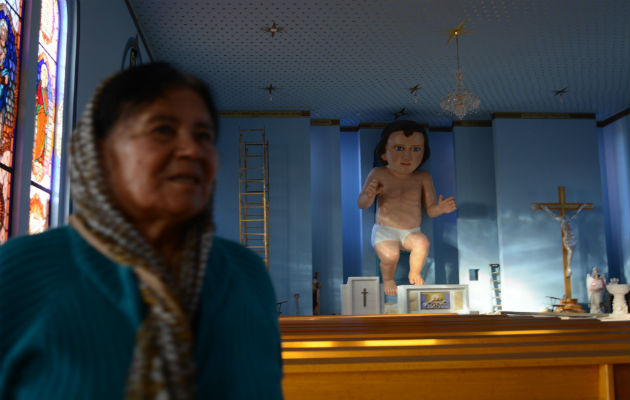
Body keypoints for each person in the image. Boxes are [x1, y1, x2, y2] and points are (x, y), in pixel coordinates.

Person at [0, 63, 283, 399]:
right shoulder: (21, 272)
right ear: (101, 154)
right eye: (162, 130)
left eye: (203, 136)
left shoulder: (246, 273)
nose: (191, 150)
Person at [357, 120, 457, 296]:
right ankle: (388, 279)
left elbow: (431, 210)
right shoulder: (378, 173)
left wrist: (441, 209)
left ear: (424, 153)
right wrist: (370, 195)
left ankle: (415, 271)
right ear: (383, 154)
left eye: (416, 149)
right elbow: (362, 204)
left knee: (423, 242)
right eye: (399, 149)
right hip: (385, 230)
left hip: (411, 231)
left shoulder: (423, 177)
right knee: (390, 256)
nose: (407, 157)